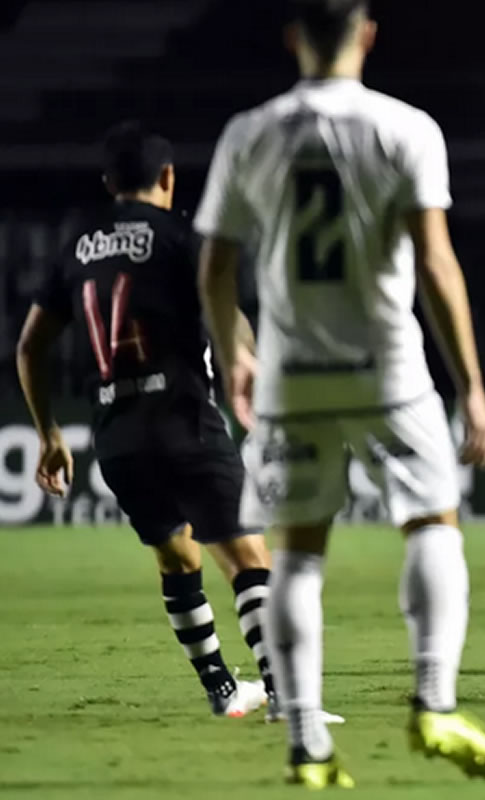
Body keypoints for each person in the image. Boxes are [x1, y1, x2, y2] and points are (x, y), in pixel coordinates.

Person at [195, 0, 485, 788]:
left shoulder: (249, 132)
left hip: (289, 370)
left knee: (297, 555)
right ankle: (435, 704)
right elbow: (437, 266)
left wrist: (235, 353)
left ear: (294, 38)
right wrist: (472, 385)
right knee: (432, 525)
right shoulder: (406, 128)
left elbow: (213, 269)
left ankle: (306, 743)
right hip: (388, 367)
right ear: (367, 36)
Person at [16, 121, 273, 719]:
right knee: (249, 562)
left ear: (109, 183)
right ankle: (288, 700)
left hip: (117, 436)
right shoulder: (182, 238)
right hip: (183, 416)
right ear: (167, 177)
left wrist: (50, 433)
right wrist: (246, 367)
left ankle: (222, 692)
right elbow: (224, 311)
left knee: (177, 558)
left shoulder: (75, 247)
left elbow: (30, 347)